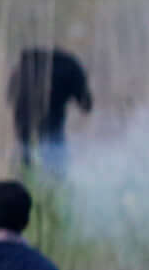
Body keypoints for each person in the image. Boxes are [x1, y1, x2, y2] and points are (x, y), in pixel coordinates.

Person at [5, 46, 92, 174]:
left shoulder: (24, 65)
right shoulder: (72, 67)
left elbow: (10, 97)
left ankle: (24, 176)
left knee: (24, 144)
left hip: (23, 115)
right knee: (53, 147)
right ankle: (52, 181)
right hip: (51, 120)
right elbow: (86, 105)